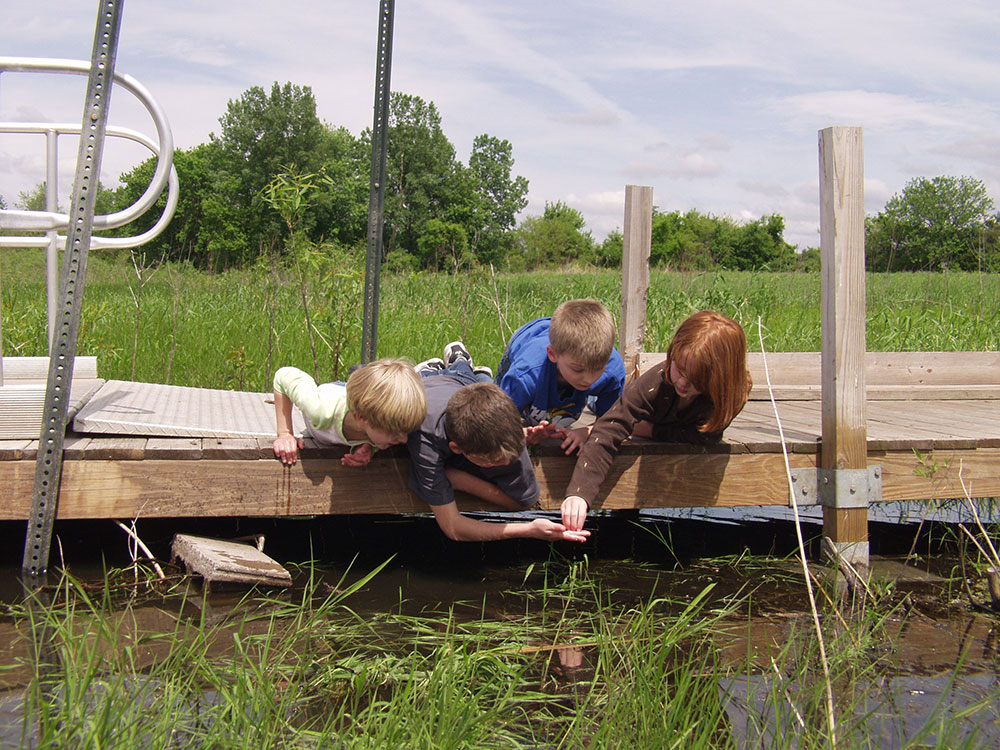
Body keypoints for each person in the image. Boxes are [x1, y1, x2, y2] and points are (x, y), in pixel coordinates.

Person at [560, 310, 752, 531]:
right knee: (607, 413)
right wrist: (579, 494)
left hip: (655, 424)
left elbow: (709, 435)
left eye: (696, 379)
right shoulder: (656, 381)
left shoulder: (732, 395)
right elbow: (608, 430)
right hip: (642, 412)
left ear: (721, 378)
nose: (682, 382)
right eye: (679, 369)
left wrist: (650, 431)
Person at [410, 354, 590, 543]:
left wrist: (459, 480)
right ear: (456, 448)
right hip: (427, 387)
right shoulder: (425, 441)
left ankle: (464, 363)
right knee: (430, 376)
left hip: (461, 384)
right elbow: (454, 528)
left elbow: (524, 502)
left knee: (474, 376)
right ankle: (430, 369)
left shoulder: (506, 433)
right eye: (493, 462)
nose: (503, 464)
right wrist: (528, 529)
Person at [495, 299, 626, 455]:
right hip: (525, 342)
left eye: (598, 368)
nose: (588, 379)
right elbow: (497, 425)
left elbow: (610, 423)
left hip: (559, 366)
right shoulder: (524, 375)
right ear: (553, 354)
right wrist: (522, 435)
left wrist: (585, 432)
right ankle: (477, 373)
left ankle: (580, 396)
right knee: (497, 401)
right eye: (578, 369)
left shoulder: (612, 373)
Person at [272, 358, 427, 467]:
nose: (405, 439)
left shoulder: (380, 424)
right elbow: (284, 376)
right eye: (395, 433)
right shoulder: (319, 409)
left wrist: (368, 447)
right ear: (362, 419)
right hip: (337, 391)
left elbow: (379, 431)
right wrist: (285, 433)